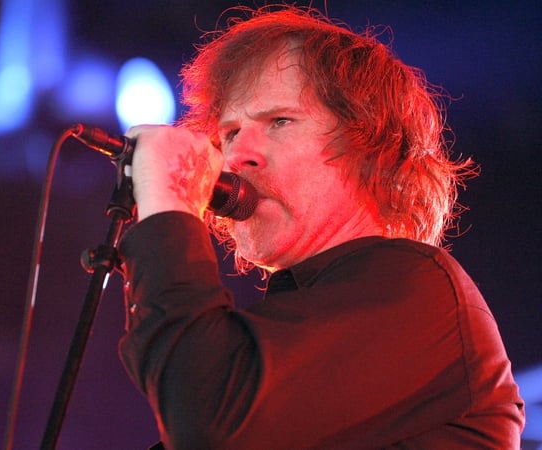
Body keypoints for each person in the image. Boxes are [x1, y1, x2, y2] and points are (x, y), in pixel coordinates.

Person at [116, 5, 525, 449]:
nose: (235, 156)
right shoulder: (277, 341)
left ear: (370, 148)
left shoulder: (424, 289)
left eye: (280, 121)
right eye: (230, 133)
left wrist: (168, 207)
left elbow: (206, 420)